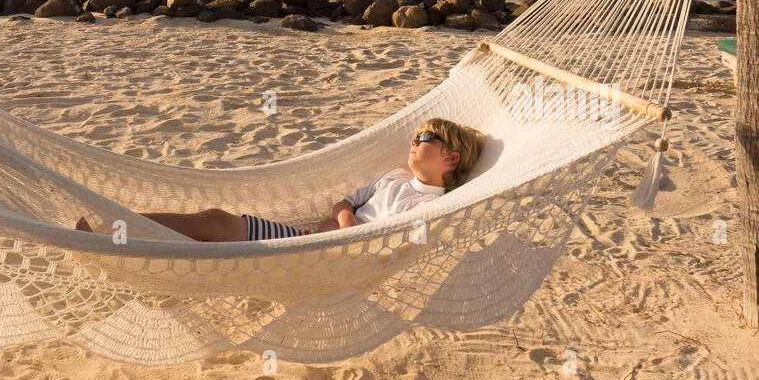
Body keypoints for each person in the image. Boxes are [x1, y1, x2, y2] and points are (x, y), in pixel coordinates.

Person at [76, 118, 485, 241]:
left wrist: (345, 228)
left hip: (321, 255)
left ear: (451, 157)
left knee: (215, 223)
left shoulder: (433, 206)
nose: (414, 141)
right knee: (212, 221)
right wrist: (345, 219)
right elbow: (343, 202)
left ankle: (110, 233)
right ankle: (115, 230)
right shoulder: (393, 176)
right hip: (308, 238)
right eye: (415, 135)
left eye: (426, 138)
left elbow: (385, 243)